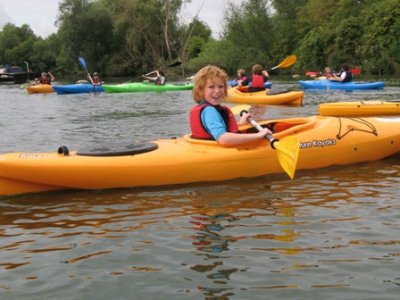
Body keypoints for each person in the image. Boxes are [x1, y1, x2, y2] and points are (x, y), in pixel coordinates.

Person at [189, 65, 272, 146]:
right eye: (211, 87)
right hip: (215, 152)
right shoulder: (210, 111)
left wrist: (240, 123)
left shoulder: (210, 109)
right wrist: (259, 135)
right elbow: (223, 138)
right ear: (200, 90)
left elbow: (219, 126)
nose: (217, 91)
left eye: (221, 86)